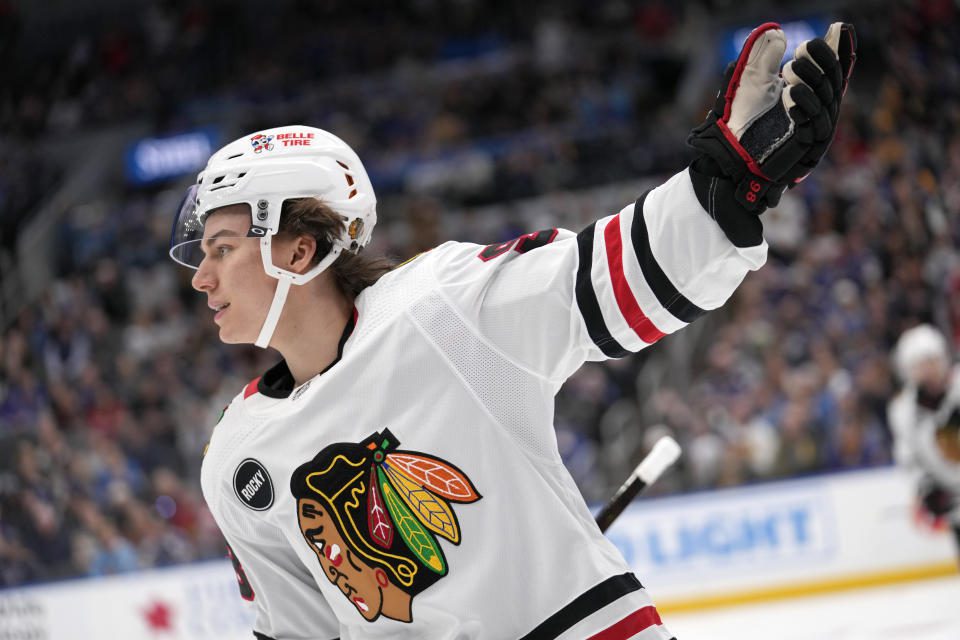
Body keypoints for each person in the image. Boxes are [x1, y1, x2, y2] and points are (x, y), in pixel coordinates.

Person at [168, 22, 856, 640]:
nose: (202, 277)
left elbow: (603, 284)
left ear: (300, 251)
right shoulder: (236, 455)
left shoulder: (441, 309)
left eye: (223, 248)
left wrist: (723, 191)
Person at [888, 324, 960, 560]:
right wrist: (927, 487)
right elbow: (909, 458)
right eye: (920, 365)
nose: (928, 370)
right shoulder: (903, 411)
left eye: (932, 361)